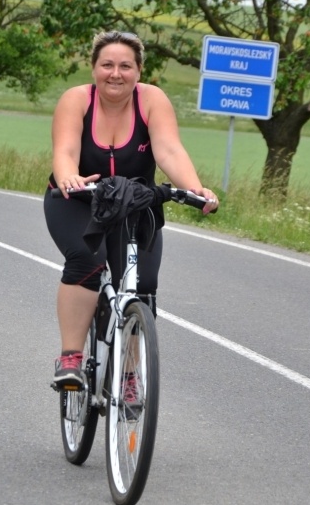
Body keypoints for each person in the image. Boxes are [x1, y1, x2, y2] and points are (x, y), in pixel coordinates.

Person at [44, 30, 219, 388]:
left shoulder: (152, 100)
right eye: (107, 65)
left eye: (125, 66)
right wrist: (68, 177)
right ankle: (71, 358)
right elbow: (65, 151)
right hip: (79, 200)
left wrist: (194, 188)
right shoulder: (76, 100)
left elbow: (169, 150)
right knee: (87, 261)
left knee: (143, 285)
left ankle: (127, 376)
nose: (116, 73)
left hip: (135, 204)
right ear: (94, 68)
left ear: (139, 71)